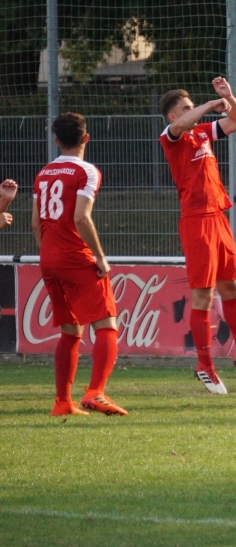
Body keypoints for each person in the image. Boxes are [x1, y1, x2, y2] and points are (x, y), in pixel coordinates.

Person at [159, 78, 236, 394]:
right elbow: (184, 123)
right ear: (172, 116)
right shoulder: (172, 136)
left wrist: (229, 97)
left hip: (218, 217)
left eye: (192, 105)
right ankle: (205, 366)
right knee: (203, 296)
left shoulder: (201, 133)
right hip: (196, 222)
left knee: (231, 287)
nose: (191, 110)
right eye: (185, 107)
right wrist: (209, 105)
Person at [32, 113, 126, 416]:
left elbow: (36, 222)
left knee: (71, 331)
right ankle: (96, 392)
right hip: (75, 256)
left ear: (56, 140)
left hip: (49, 258)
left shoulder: (43, 172)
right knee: (106, 324)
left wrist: (49, 254)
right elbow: (81, 217)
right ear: (86, 138)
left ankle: (62, 403)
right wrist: (99, 256)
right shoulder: (87, 171)